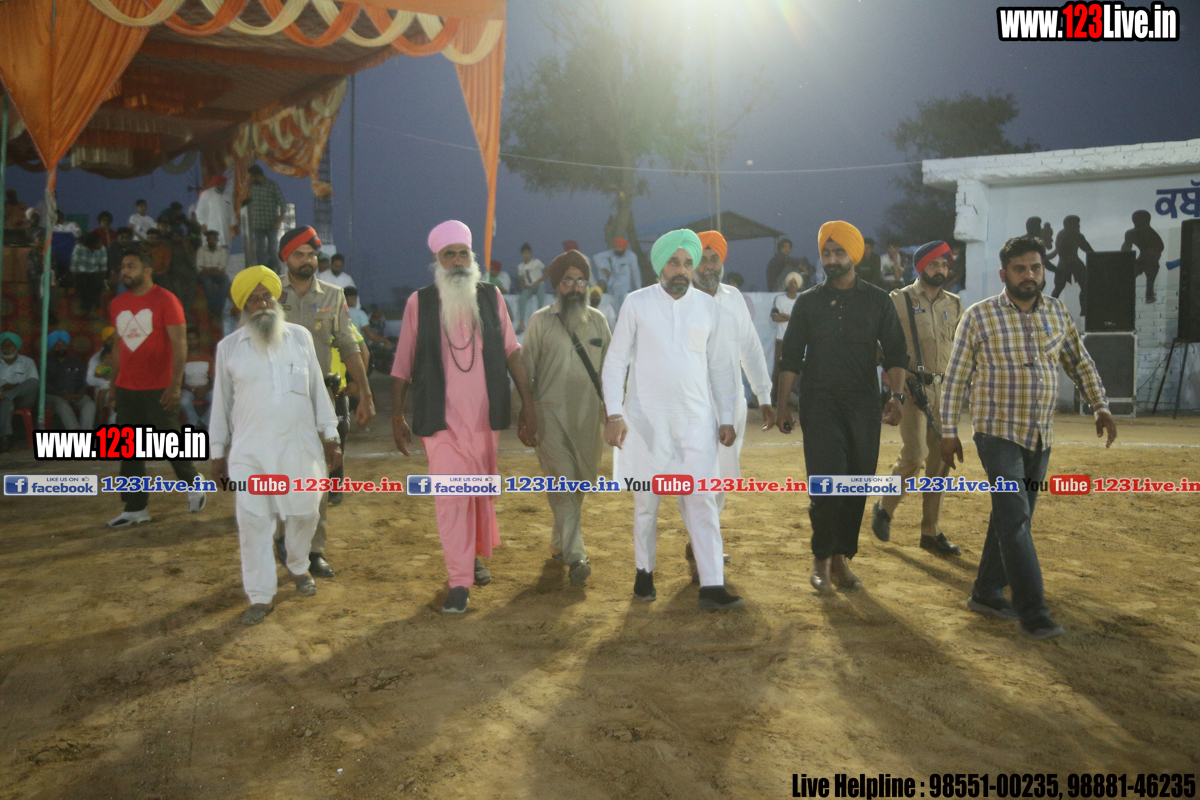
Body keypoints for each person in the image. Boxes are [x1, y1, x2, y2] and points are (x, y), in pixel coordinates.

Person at [940, 235, 1117, 641]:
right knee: (1016, 518)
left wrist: (1100, 405)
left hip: (1040, 432)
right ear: (1004, 274)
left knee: (1012, 516)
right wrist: (949, 432)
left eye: (1035, 267)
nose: (1029, 275)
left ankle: (986, 592)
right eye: (1020, 269)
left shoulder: (1056, 311)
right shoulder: (979, 316)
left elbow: (1079, 361)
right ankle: (1033, 612)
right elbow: (955, 380)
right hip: (996, 432)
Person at [391, 220, 537, 612]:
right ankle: (459, 581)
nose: (457, 261)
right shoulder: (420, 302)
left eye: (463, 254)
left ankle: (469, 555)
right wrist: (396, 416)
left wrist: (528, 403)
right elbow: (402, 363)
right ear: (437, 260)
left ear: (472, 257)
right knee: (451, 495)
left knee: (475, 491)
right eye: (449, 254)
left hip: (484, 418)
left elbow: (512, 350)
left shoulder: (490, 296)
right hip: (438, 419)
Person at [601, 229, 743, 610]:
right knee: (646, 506)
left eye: (687, 263)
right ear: (660, 265)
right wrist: (614, 413)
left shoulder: (708, 308)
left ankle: (712, 585)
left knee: (702, 502)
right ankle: (644, 573)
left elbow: (721, 369)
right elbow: (615, 362)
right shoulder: (637, 303)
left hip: (696, 424)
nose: (681, 270)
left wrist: (726, 417)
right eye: (674, 262)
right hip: (645, 426)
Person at [775, 221, 907, 593]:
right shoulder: (808, 301)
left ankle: (840, 559)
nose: (831, 259)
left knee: (856, 484)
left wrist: (896, 397)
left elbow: (896, 353)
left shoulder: (878, 300)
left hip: (864, 406)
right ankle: (821, 558)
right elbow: (791, 357)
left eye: (839, 253)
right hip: (820, 404)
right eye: (826, 253)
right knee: (826, 484)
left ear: (855, 255)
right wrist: (782, 406)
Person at [210, 267, 342, 625]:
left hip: (300, 447)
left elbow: (317, 390)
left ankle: (297, 564)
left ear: (276, 298)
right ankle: (261, 595)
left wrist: (331, 435)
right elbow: (220, 404)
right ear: (243, 307)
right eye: (253, 300)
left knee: (305, 513)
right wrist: (218, 453)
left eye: (266, 296)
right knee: (253, 523)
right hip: (250, 453)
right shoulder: (229, 348)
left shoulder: (300, 337)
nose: (262, 304)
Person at [271, 226, 375, 578]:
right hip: (276, 400)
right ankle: (283, 539)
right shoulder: (268, 293)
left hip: (321, 400)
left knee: (318, 476)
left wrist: (365, 393)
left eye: (312, 255)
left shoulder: (333, 295)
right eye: (299, 255)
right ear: (285, 258)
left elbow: (348, 345)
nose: (307, 261)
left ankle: (315, 550)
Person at [522, 250, 611, 586]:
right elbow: (525, 373)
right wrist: (526, 413)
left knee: (579, 484)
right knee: (563, 483)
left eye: (581, 280)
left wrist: (615, 411)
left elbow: (612, 370)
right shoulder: (540, 321)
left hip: (589, 418)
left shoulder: (598, 321)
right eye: (568, 280)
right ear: (557, 284)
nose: (575, 287)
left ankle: (559, 545)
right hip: (550, 418)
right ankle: (577, 557)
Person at [871, 240, 963, 555]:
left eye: (944, 264)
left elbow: (959, 347)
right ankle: (885, 507)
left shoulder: (954, 303)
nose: (940, 270)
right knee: (915, 454)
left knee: (941, 462)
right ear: (921, 266)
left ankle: (930, 532)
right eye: (934, 264)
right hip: (912, 388)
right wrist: (893, 376)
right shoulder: (898, 300)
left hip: (945, 390)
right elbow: (878, 343)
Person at [106, 246, 205, 527]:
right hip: (127, 387)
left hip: (159, 387)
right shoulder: (117, 303)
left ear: (147, 270)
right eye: (123, 267)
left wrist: (175, 385)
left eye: (131, 267)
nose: (124, 272)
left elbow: (180, 345)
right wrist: (113, 385)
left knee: (168, 442)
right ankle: (135, 508)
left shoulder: (166, 300)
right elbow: (117, 347)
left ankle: (193, 481)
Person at [694, 231, 774, 522]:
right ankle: (701, 537)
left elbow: (750, 349)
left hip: (732, 403)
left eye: (714, 259)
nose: (709, 266)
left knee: (722, 475)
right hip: (693, 403)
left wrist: (763, 396)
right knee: (697, 476)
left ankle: (705, 533)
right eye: (702, 260)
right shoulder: (680, 300)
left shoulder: (734, 298)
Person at [44, 330, 96, 431]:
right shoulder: (45, 362)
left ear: (67, 345)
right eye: (57, 345)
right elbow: (44, 384)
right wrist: (60, 394)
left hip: (74, 394)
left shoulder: (76, 362)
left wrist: (79, 393)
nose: (60, 347)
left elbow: (83, 380)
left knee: (89, 404)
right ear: (51, 346)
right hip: (53, 396)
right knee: (62, 404)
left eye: (63, 344)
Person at [0, 333, 40, 453]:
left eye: (11, 345)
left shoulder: (27, 362)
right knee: (6, 402)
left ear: (17, 347)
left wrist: (13, 388)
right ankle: (5, 438)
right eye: (4, 345)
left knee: (34, 382)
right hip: (3, 399)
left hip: (23, 398)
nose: (7, 348)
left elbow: (33, 382)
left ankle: (6, 396)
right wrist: (4, 385)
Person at [1047, 215, 1093, 315]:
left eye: (1078, 224)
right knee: (1059, 287)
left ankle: (1084, 310)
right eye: (1076, 224)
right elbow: (1058, 250)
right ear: (1069, 225)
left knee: (1085, 286)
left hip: (1075, 263)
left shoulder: (1078, 236)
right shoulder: (1062, 235)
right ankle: (1049, 309)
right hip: (1064, 264)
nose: (1079, 226)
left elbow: (1088, 249)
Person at [770, 272, 803, 409]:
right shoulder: (779, 299)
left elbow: (803, 320)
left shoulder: (802, 299)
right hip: (781, 340)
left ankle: (789, 398)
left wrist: (786, 316)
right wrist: (793, 317)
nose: (793, 284)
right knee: (779, 369)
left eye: (795, 282)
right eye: (791, 282)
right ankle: (775, 399)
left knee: (795, 370)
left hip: (797, 340)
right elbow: (775, 317)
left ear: (799, 284)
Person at [246, 165, 287, 266]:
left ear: (257, 175)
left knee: (272, 251)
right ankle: (262, 272)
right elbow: (248, 203)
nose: (250, 179)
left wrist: (278, 222)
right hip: (257, 224)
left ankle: (274, 271)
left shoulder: (272, 185)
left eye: (252, 177)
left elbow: (283, 206)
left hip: (271, 224)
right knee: (259, 251)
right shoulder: (251, 187)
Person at [1122, 210, 1165, 304]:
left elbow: (1160, 247)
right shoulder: (1132, 233)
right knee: (1133, 275)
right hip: (1147, 258)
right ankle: (1146, 295)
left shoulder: (1148, 233)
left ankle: (1148, 295)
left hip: (1150, 258)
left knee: (1147, 277)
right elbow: (1126, 248)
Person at [592, 237, 641, 312]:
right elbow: (596, 257)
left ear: (624, 247)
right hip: (611, 288)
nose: (617, 248)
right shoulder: (612, 253)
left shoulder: (631, 256)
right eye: (615, 246)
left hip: (624, 288)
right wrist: (604, 269)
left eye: (619, 246)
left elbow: (635, 273)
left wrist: (639, 289)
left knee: (623, 308)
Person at [180, 327, 213, 430]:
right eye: (189, 339)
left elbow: (213, 378)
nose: (192, 341)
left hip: (205, 388)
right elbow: (180, 381)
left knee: (218, 399)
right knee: (184, 401)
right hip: (188, 389)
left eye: (194, 338)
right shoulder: (182, 359)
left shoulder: (207, 357)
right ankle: (194, 423)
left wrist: (206, 389)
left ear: (198, 340)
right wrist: (193, 389)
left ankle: (204, 422)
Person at [70, 231, 108, 315]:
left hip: (95, 273)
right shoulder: (79, 248)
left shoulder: (102, 248)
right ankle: (89, 308)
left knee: (97, 283)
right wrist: (74, 281)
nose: (100, 244)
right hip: (81, 273)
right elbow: (74, 267)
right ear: (91, 244)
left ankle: (89, 307)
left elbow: (103, 267)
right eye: (97, 242)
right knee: (84, 284)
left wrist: (102, 280)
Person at [196, 229, 230, 320]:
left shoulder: (222, 250)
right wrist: (213, 270)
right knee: (208, 283)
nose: (211, 241)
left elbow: (222, 268)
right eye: (209, 239)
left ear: (217, 240)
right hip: (205, 275)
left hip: (218, 274)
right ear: (207, 240)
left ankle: (218, 309)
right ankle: (212, 309)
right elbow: (200, 268)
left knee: (226, 281)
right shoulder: (201, 250)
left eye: (213, 239)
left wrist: (208, 269)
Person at [86, 326, 118, 421]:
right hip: (102, 390)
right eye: (110, 339)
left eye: (115, 339)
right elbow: (89, 380)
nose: (112, 341)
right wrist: (109, 382)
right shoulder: (96, 358)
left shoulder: (122, 356)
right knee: (116, 400)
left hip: (118, 389)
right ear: (105, 340)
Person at [196, 175, 237, 248]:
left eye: (223, 184)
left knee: (224, 251)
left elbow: (231, 213)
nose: (222, 186)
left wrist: (235, 225)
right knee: (212, 251)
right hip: (211, 229)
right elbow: (199, 211)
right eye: (220, 184)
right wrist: (203, 224)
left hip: (225, 230)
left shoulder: (227, 197)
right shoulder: (207, 194)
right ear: (215, 184)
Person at [516, 243, 546, 334]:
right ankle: (521, 323)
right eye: (524, 253)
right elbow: (521, 279)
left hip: (539, 285)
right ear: (521, 254)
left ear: (530, 254)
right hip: (529, 287)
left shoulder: (536, 262)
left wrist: (538, 281)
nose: (526, 255)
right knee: (522, 299)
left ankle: (541, 321)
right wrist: (523, 285)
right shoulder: (520, 266)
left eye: (528, 253)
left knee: (541, 298)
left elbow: (548, 271)